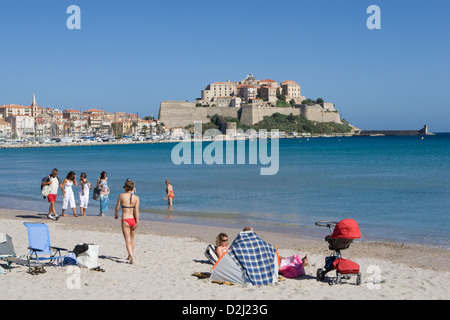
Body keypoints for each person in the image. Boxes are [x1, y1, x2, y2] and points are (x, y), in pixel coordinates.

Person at [114, 180, 140, 264]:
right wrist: (137, 221)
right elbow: (136, 211)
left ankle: (131, 255)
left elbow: (117, 207)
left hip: (125, 219)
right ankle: (130, 255)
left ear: (125, 187)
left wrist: (116, 214)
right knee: (132, 239)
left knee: (127, 239)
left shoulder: (122, 195)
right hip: (133, 219)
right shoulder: (136, 198)